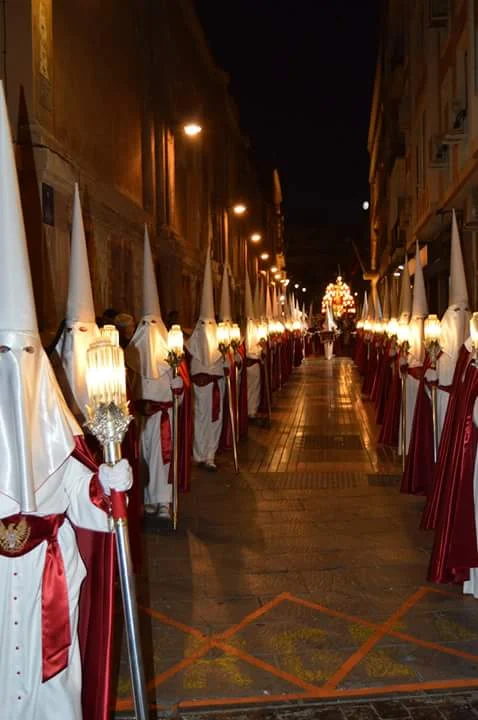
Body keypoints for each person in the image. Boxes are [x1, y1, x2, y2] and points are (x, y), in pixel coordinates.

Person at [0, 81, 132, 720]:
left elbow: (94, 512)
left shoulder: (55, 429)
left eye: (20, 357)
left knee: (54, 696)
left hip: (50, 588)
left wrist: (110, 483)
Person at [125, 227, 183, 520]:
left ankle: (163, 500)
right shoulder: (132, 356)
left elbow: (179, 390)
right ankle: (148, 498)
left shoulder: (170, 353)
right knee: (145, 457)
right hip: (141, 416)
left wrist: (176, 379)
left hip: (162, 415)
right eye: (144, 325)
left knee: (162, 457)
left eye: (153, 325)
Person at [186, 246, 225, 472]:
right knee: (199, 420)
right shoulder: (193, 343)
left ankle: (210, 454)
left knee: (214, 420)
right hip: (199, 389)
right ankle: (198, 453)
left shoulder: (221, 341)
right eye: (203, 325)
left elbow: (227, 364)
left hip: (216, 387)